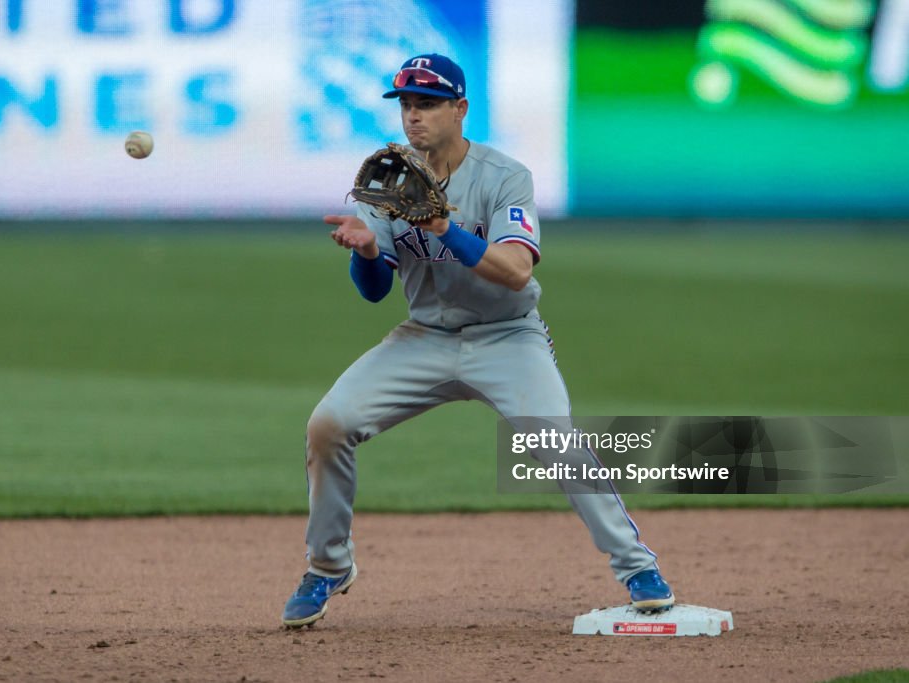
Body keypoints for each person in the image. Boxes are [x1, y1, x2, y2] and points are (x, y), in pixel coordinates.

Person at [281, 54, 673, 628]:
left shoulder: (504, 176)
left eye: (428, 104)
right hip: (423, 338)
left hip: (507, 336)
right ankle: (328, 566)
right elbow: (373, 292)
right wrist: (367, 250)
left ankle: (638, 567)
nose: (413, 117)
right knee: (329, 424)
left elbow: (516, 272)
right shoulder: (385, 180)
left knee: (555, 442)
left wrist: (443, 226)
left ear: (460, 109)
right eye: (407, 105)